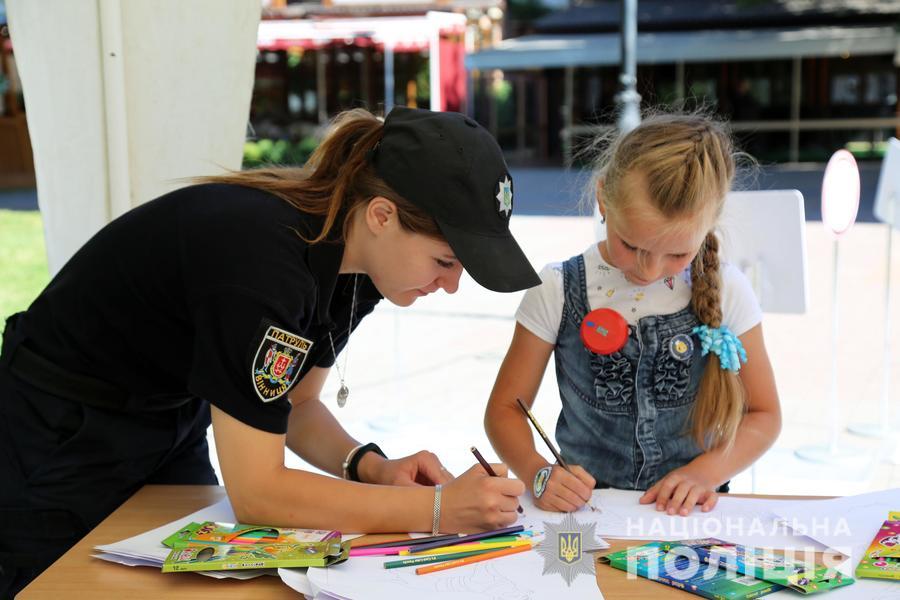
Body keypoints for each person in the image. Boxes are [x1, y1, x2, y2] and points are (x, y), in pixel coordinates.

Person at [0, 107, 535, 596]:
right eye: (445, 261)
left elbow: (296, 408)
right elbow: (259, 492)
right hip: (57, 429)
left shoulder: (357, 265)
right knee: (56, 587)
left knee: (203, 580)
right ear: (381, 215)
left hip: (167, 420)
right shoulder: (262, 264)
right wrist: (437, 510)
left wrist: (370, 467)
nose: (452, 286)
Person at [484, 112, 781, 516]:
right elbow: (504, 411)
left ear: (708, 225)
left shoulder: (727, 289)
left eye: (676, 254)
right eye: (632, 245)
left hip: (689, 517)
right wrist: (539, 473)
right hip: (584, 514)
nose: (649, 269)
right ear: (603, 198)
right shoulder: (557, 288)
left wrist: (705, 473)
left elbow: (764, 415)